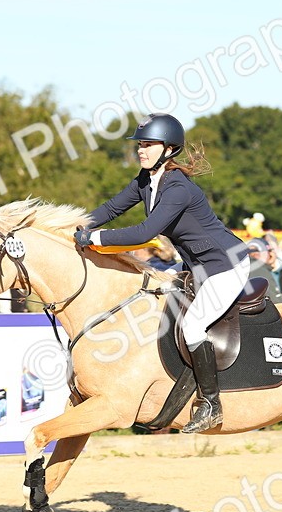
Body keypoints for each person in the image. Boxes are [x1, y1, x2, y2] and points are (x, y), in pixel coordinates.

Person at [74, 113, 249, 433]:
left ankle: (211, 404)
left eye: (149, 145)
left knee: (194, 326)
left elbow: (145, 232)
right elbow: (111, 209)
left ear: (169, 149)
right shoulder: (146, 181)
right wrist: (72, 226)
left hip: (225, 265)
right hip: (195, 266)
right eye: (140, 144)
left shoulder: (178, 188)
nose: (141, 150)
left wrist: (94, 238)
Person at [245, 240, 282, 304]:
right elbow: (277, 303)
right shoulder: (260, 271)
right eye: (268, 251)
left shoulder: (248, 268)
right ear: (256, 254)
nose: (270, 254)